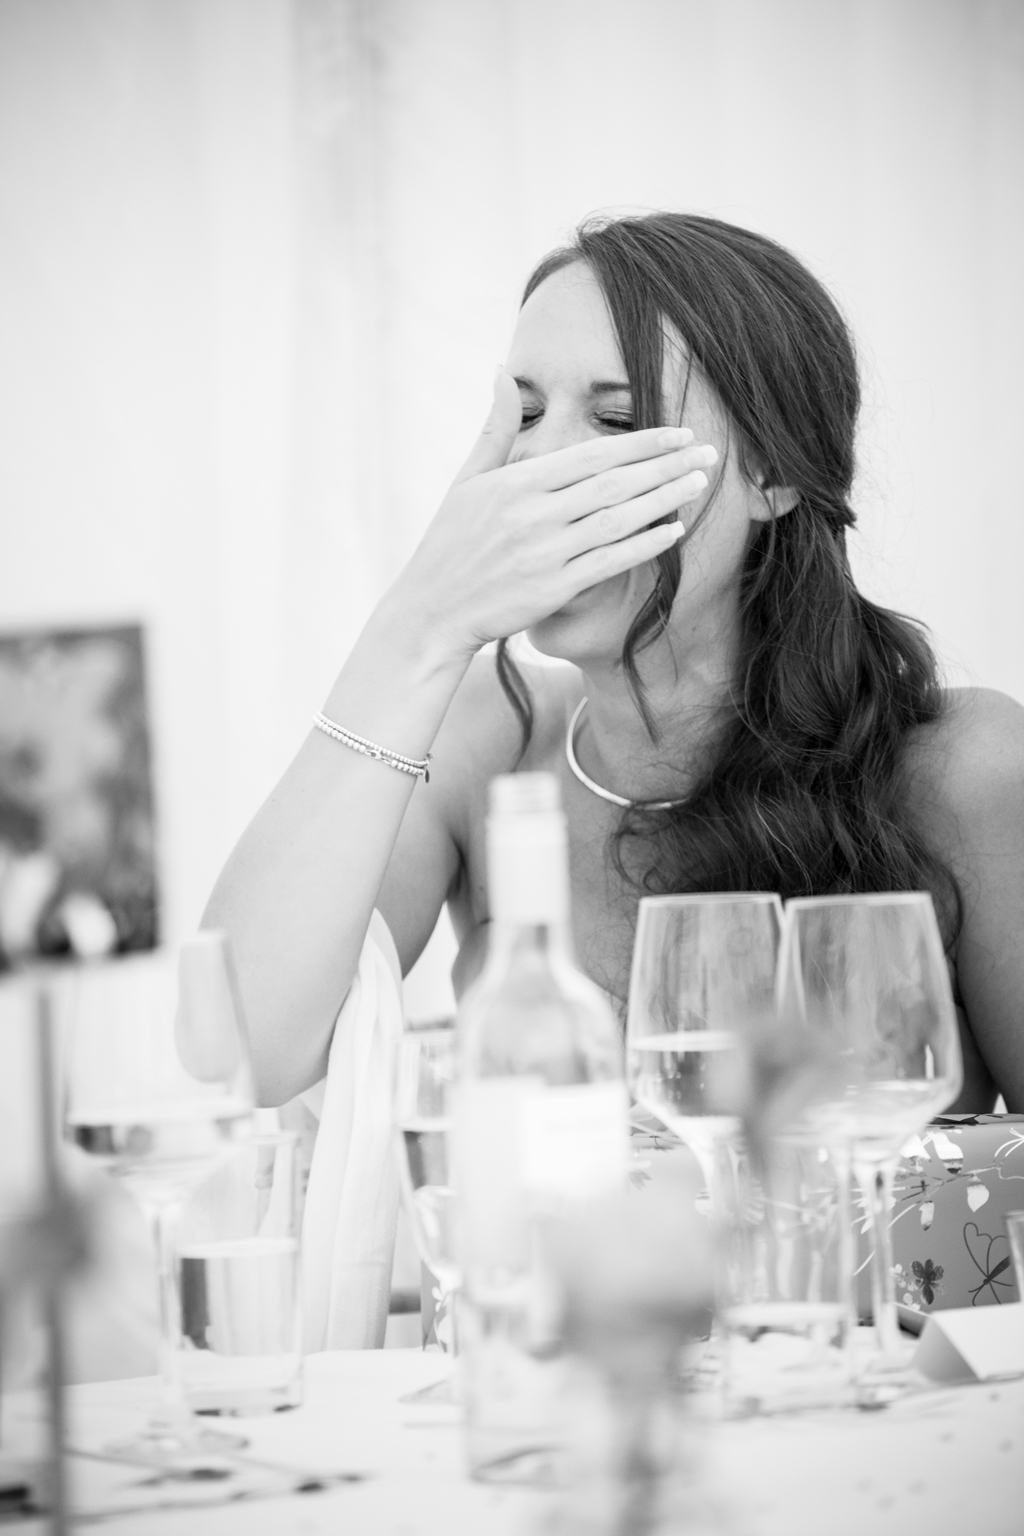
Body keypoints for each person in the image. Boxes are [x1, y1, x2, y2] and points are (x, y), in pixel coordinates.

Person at [205, 212, 1024, 1116]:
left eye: (617, 418)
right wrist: (418, 627)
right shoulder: (486, 743)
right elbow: (239, 1052)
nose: (536, 461)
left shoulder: (967, 768)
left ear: (772, 473)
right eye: (523, 414)